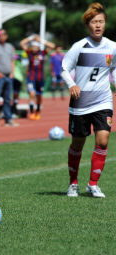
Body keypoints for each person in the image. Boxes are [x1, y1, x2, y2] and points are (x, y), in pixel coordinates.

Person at [61, 3, 116, 198]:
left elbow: (114, 69)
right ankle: (73, 183)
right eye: (94, 22)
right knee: (78, 143)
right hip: (80, 102)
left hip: (103, 101)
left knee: (102, 141)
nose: (98, 25)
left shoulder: (112, 47)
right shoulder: (79, 46)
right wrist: (71, 84)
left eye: (101, 21)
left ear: (105, 23)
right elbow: (64, 68)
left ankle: (93, 184)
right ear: (88, 25)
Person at [20, 34, 55, 120]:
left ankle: (37, 111)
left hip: (40, 78)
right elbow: (22, 43)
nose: (34, 48)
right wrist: (31, 38)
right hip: (31, 77)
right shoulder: (29, 53)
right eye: (32, 46)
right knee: (32, 94)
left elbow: (52, 46)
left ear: (38, 47)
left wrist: (41, 40)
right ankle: (31, 112)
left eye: (36, 46)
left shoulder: (42, 53)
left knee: (39, 96)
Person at [0, 28, 18, 127]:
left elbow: (12, 61)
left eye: (3, 34)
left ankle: (8, 119)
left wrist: (12, 73)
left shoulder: (10, 47)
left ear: (6, 35)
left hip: (9, 76)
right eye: (0, 34)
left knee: (8, 99)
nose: (2, 36)